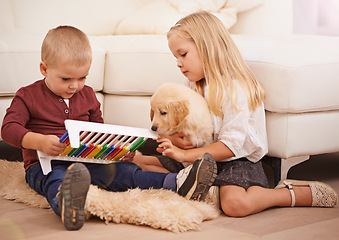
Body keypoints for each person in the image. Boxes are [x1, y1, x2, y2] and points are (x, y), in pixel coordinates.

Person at [1, 25, 217, 231]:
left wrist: (115, 149)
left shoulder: (86, 95)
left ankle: (177, 183)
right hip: (45, 165)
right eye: (66, 79)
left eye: (82, 78)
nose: (75, 86)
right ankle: (68, 205)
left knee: (124, 172)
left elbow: (98, 130)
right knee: (55, 180)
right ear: (44, 69)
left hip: (87, 159)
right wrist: (38, 141)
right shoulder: (27, 95)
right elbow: (8, 129)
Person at [131, 11, 338, 217]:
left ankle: (289, 194)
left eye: (183, 54)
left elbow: (231, 146)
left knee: (235, 204)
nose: (178, 62)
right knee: (148, 164)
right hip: (204, 159)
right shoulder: (194, 85)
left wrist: (186, 155)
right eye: (175, 57)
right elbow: (192, 131)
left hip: (238, 160)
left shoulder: (235, 89)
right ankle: (205, 188)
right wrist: (178, 141)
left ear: (207, 48)